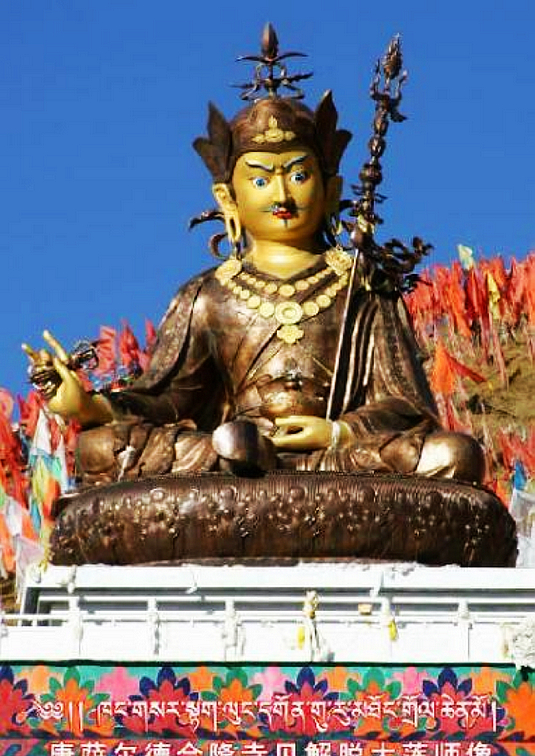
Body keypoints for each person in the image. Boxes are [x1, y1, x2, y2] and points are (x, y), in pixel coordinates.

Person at [23, 31, 485, 487]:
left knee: (454, 455)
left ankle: (253, 462)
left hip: (340, 459)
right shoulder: (206, 295)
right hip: (234, 450)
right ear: (228, 200)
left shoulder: (364, 286)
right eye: (261, 180)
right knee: (100, 447)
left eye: (299, 175)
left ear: (331, 191)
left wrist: (337, 432)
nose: (282, 195)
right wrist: (90, 407)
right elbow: (166, 400)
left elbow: (407, 405)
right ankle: (246, 457)